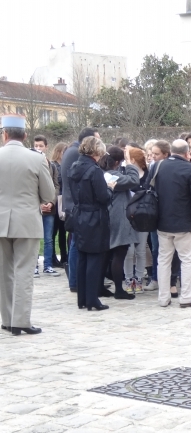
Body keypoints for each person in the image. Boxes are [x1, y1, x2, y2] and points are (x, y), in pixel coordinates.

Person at [0, 115, 56, 335]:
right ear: (24, 136)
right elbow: (49, 194)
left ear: (4, 134)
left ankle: (7, 318)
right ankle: (20, 321)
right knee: (24, 271)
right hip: (27, 221)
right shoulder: (36, 158)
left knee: (4, 271)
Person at [154, 139, 191, 308]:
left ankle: (163, 297)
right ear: (186, 153)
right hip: (185, 223)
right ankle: (186, 297)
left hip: (162, 222)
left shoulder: (159, 167)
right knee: (187, 261)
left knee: (164, 261)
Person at [68, 136, 111, 311]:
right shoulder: (95, 171)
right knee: (94, 257)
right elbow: (103, 197)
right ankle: (92, 299)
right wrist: (110, 188)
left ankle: (83, 298)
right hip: (94, 216)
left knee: (83, 257)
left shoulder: (74, 167)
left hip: (79, 214)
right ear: (96, 151)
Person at [61, 126, 100, 292]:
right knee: (77, 244)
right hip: (76, 206)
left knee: (76, 243)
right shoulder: (76, 153)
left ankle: (77, 281)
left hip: (73, 204)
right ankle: (76, 281)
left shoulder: (71, 151)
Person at [101, 146, 139, 300]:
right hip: (118, 217)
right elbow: (133, 181)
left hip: (109, 216)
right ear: (117, 162)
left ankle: (100, 285)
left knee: (108, 254)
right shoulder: (111, 175)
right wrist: (130, 164)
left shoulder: (103, 172)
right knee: (119, 253)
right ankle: (119, 289)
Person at [33, 134, 61, 277]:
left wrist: (51, 202)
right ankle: (34, 266)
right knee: (34, 237)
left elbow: (55, 186)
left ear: (46, 147)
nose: (38, 148)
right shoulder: (30, 163)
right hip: (35, 208)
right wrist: (39, 204)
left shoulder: (51, 165)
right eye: (36, 146)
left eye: (41, 146)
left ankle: (48, 265)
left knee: (49, 238)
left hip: (49, 207)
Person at [144, 140, 171, 291]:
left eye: (156, 154)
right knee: (156, 247)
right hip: (156, 212)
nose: (153, 156)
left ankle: (170, 280)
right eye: (152, 153)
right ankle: (155, 277)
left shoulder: (174, 167)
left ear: (165, 154)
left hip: (169, 213)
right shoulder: (153, 167)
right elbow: (148, 186)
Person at [123, 147, 149, 293]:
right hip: (128, 216)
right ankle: (128, 279)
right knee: (129, 250)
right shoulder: (126, 173)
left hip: (143, 216)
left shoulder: (147, 174)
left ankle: (138, 279)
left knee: (141, 250)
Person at [50, 142, 68, 268]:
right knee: (53, 231)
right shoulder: (54, 165)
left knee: (62, 230)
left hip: (63, 200)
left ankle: (64, 256)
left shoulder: (65, 165)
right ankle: (52, 257)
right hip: (56, 200)